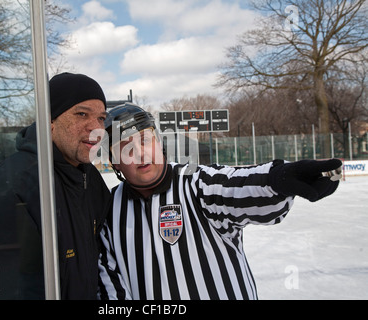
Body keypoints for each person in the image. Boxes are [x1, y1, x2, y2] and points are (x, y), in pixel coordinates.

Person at [97, 102, 342, 300]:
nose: (140, 153)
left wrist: (278, 179)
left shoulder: (196, 182)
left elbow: (236, 185)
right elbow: (111, 287)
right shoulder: (108, 211)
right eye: (125, 147)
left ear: (159, 143)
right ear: (115, 162)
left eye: (144, 140)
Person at [0, 72, 111, 300]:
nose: (96, 128)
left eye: (101, 118)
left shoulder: (89, 179)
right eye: (82, 114)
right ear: (50, 120)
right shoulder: (12, 187)